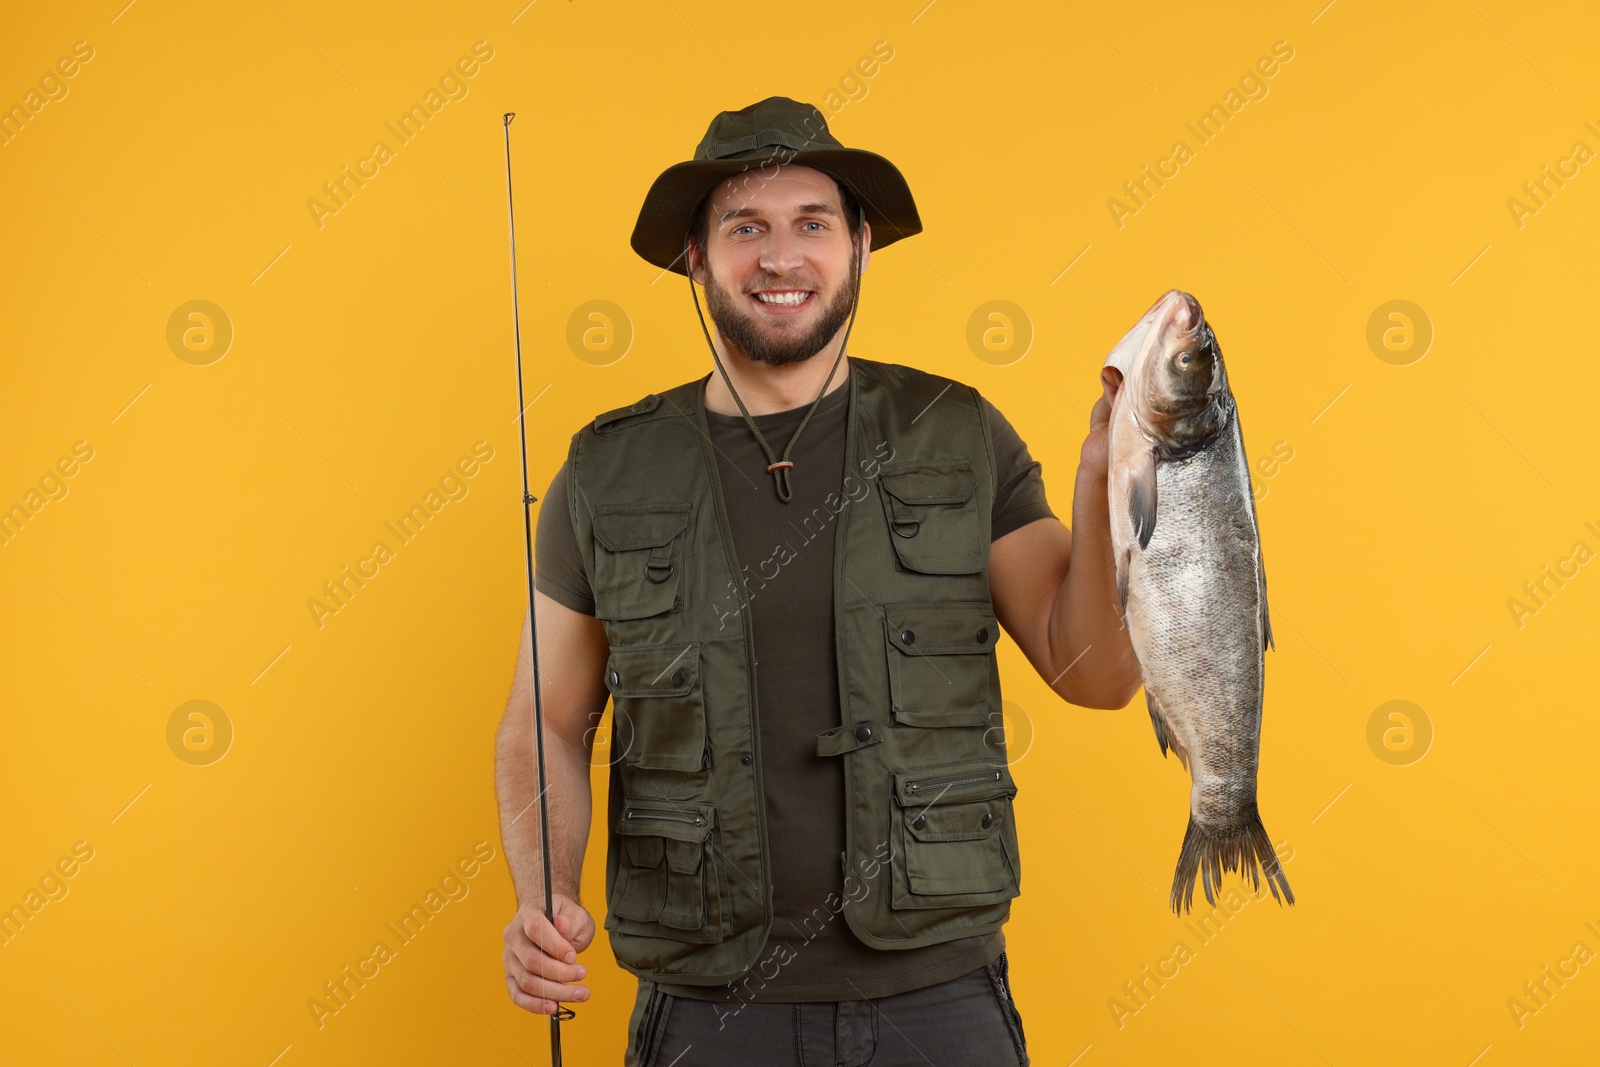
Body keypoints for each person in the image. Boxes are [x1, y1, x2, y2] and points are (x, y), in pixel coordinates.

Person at [495, 96, 1141, 1066]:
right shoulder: (607, 469)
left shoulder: (958, 434)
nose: (780, 256)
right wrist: (545, 892)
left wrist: (1098, 488)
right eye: (745, 227)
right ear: (695, 258)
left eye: (811, 223)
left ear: (860, 246)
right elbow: (543, 719)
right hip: (707, 1011)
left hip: (938, 1002)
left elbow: (1094, 674)